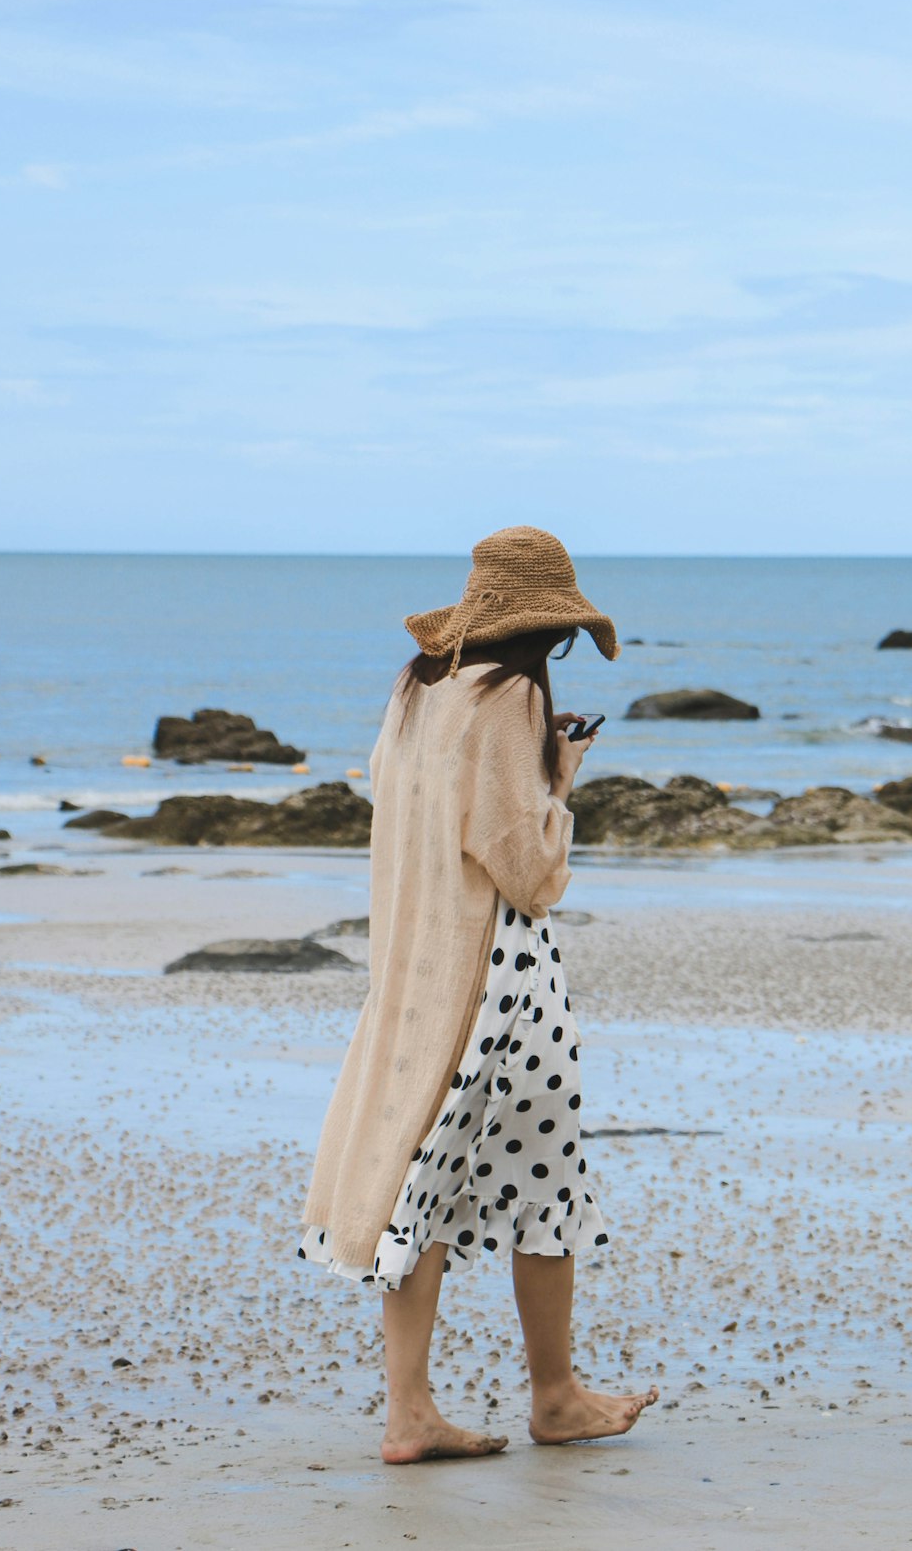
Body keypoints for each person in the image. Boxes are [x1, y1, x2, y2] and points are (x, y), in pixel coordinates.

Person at [299, 525, 658, 1463]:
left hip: (419, 971)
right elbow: (528, 870)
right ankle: (556, 1397)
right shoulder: (512, 701)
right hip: (503, 981)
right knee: (548, 1183)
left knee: (422, 1176)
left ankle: (411, 1410)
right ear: (547, 630)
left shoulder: (418, 689)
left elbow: (412, 814)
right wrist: (563, 782)